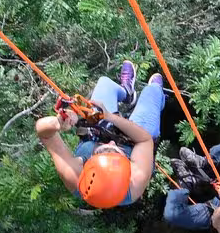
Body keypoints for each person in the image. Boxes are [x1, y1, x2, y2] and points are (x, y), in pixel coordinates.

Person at [35, 61, 165, 208]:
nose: (112, 143)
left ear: (87, 165)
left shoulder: (74, 175)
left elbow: (44, 134)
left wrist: (57, 123)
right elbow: (145, 140)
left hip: (99, 131)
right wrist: (111, 117)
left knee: (105, 84)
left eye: (102, 150)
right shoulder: (136, 180)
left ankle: (127, 92)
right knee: (152, 93)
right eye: (116, 151)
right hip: (136, 141)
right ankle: (160, 96)